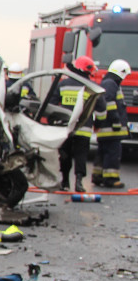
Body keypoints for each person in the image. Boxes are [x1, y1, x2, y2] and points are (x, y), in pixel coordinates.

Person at [53, 55, 99, 192]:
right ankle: (79, 182)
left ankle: (65, 181)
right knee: (81, 156)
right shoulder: (92, 86)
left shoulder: (62, 84)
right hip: (84, 128)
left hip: (66, 128)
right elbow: (101, 107)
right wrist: (100, 123)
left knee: (65, 154)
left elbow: (52, 104)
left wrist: (54, 122)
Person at [93, 59, 131, 188]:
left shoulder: (108, 82)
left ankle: (98, 176)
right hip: (111, 128)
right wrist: (116, 121)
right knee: (113, 153)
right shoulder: (111, 84)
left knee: (103, 152)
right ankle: (111, 179)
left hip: (105, 127)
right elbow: (108, 102)